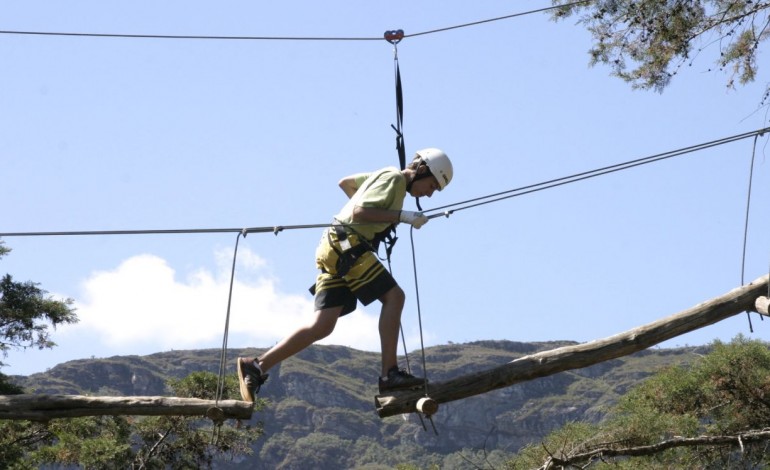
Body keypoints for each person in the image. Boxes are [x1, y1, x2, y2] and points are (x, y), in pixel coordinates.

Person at [236, 148, 453, 402]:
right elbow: (360, 212)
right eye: (432, 186)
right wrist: (400, 216)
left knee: (323, 325)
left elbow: (347, 184)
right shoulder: (394, 179)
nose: (429, 193)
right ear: (422, 170)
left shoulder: (383, 176)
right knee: (395, 297)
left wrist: (378, 217)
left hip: (333, 248)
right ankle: (389, 375)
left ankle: (257, 365)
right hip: (347, 245)